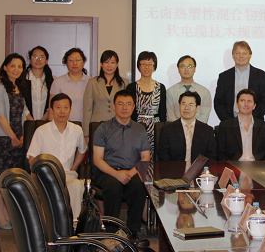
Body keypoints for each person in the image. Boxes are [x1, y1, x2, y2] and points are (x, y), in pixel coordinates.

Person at [0, 53, 33, 230]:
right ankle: (0, 216)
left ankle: (6, 213)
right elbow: (0, 117)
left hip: (18, 140)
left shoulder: (18, 88)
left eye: (20, 66)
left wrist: (24, 135)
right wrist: (13, 137)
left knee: (9, 179)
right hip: (3, 140)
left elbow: (24, 114)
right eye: (13, 65)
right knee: (0, 179)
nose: (16, 69)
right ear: (5, 67)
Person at [93, 90, 150, 238]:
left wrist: (131, 173)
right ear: (114, 106)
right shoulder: (103, 128)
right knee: (114, 187)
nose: (124, 107)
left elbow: (145, 157)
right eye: (120, 103)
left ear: (133, 107)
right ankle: (111, 232)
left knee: (139, 187)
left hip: (132, 170)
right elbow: (97, 159)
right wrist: (116, 174)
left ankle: (132, 231)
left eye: (128, 104)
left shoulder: (140, 129)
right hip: (108, 171)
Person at [27, 93, 87, 218]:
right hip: (47, 176)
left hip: (68, 175)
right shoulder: (41, 131)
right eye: (58, 107)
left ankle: (74, 224)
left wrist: (74, 167)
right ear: (51, 110)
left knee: (77, 186)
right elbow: (32, 158)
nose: (62, 111)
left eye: (66, 107)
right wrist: (41, 173)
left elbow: (82, 150)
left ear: (70, 110)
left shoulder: (77, 130)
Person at [214, 41, 265, 121]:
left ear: (250, 55)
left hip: (254, 122)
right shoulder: (224, 77)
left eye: (244, 53)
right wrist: (228, 122)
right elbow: (218, 102)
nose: (241, 56)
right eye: (238, 53)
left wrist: (250, 120)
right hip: (230, 123)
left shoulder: (261, 76)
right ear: (233, 56)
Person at [125, 51, 166, 160]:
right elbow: (129, 111)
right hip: (136, 127)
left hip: (155, 128)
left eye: (150, 64)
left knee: (155, 158)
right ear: (139, 66)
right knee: (137, 157)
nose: (146, 67)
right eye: (143, 64)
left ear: (154, 66)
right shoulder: (131, 87)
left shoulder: (161, 87)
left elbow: (162, 113)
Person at [216, 89, 265, 161]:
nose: (246, 104)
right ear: (237, 104)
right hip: (234, 165)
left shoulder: (264, 127)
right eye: (242, 101)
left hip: (258, 166)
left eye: (249, 101)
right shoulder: (225, 126)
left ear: (254, 105)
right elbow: (220, 154)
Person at [157, 91, 217, 161]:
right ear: (179, 106)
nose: (186, 108)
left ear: (197, 108)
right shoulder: (167, 130)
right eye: (184, 104)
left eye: (191, 104)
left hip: (200, 168)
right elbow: (163, 155)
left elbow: (212, 156)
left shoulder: (207, 131)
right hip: (174, 167)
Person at [83, 50, 130, 139]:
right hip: (97, 125)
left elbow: (128, 107)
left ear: (117, 64)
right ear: (101, 64)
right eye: (106, 62)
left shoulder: (124, 83)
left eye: (112, 62)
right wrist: (86, 133)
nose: (109, 65)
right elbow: (87, 109)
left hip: (119, 126)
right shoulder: (92, 82)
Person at [165, 55, 212, 123]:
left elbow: (205, 115)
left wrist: (193, 127)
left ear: (194, 69)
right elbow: (170, 114)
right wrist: (180, 127)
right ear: (178, 69)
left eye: (189, 66)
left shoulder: (205, 92)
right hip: (176, 128)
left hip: (198, 128)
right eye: (183, 66)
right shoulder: (170, 92)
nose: (186, 69)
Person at [50, 48, 90, 123]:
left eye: (78, 60)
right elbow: (51, 108)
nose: (74, 63)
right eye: (71, 60)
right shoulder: (58, 82)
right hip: (63, 125)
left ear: (83, 62)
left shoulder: (91, 82)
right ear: (66, 63)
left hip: (85, 126)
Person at [22, 46, 54, 121]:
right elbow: (21, 101)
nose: (38, 60)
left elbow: (52, 103)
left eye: (41, 57)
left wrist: (42, 120)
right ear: (30, 60)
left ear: (46, 61)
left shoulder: (52, 81)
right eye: (35, 57)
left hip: (46, 122)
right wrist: (31, 120)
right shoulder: (22, 79)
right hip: (26, 121)